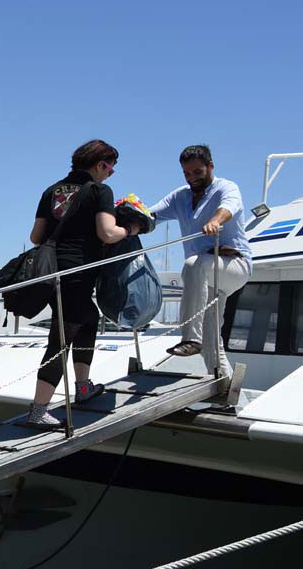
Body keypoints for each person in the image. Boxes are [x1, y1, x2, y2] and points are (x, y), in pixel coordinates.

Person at [26, 140, 139, 427]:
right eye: (111, 166)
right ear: (100, 164)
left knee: (89, 317)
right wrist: (132, 228)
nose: (112, 172)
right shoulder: (100, 191)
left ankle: (83, 386)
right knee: (61, 338)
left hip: (52, 272)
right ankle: (38, 410)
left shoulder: (52, 191)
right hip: (78, 271)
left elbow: (36, 237)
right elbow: (107, 233)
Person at [149, 144, 252, 377]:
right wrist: (124, 217)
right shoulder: (180, 196)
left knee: (192, 263)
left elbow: (229, 207)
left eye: (197, 172)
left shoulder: (227, 187)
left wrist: (216, 220)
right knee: (212, 339)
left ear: (210, 166)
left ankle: (190, 339)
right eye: (186, 173)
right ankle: (225, 387)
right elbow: (151, 215)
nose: (192, 178)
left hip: (234, 266)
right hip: (205, 277)